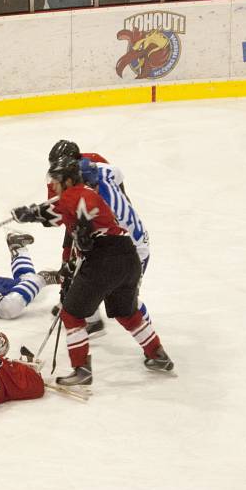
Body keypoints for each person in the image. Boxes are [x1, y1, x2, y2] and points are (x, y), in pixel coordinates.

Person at [11, 157, 174, 386]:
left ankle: (82, 371)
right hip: (128, 258)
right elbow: (57, 215)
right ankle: (157, 354)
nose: (53, 185)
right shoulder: (81, 194)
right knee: (126, 312)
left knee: (72, 313)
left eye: (56, 180)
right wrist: (31, 214)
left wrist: (34, 214)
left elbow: (73, 213)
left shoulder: (75, 194)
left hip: (105, 259)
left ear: (68, 180)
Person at [46, 140, 152, 340]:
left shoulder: (96, 204)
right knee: (87, 268)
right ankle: (91, 317)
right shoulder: (99, 168)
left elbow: (83, 234)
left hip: (131, 248)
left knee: (126, 299)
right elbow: (117, 176)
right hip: (120, 236)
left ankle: (149, 338)